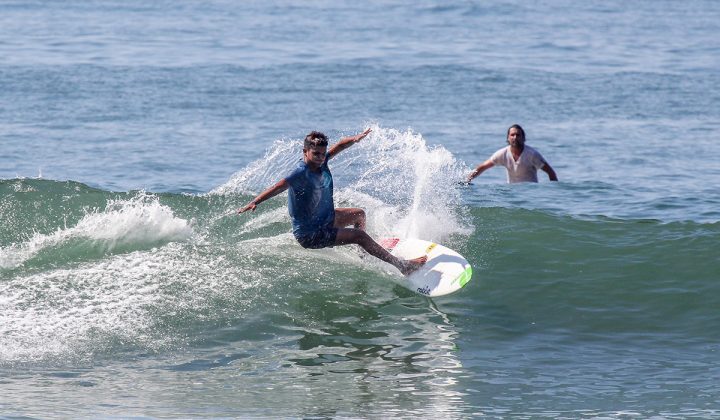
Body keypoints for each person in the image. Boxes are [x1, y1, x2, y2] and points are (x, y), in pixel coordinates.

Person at [238, 128, 427, 276]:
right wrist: (256, 201)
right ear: (305, 151)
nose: (321, 158)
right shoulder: (300, 173)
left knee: (359, 214)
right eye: (316, 154)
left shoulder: (322, 161)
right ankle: (403, 266)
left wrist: (354, 139)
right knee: (358, 236)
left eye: (323, 153)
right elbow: (278, 187)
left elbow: (340, 146)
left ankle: (364, 254)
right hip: (311, 234)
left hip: (325, 219)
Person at [467, 124, 558, 183]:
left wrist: (554, 192)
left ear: (523, 138)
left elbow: (551, 172)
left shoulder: (532, 154)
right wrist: (467, 180)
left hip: (531, 193)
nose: (515, 137)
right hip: (512, 194)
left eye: (518, 135)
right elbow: (482, 167)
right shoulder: (503, 154)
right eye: (512, 135)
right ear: (508, 138)